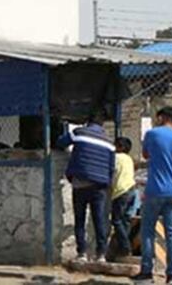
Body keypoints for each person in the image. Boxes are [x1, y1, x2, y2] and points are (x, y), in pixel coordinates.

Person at [133, 106, 172, 285]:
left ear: (161, 117)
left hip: (154, 191)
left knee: (147, 231)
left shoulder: (152, 135)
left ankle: (146, 273)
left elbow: (146, 155)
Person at [56, 113, 114, 263]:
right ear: (102, 125)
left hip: (80, 183)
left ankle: (82, 253)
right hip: (100, 185)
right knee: (99, 219)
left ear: (87, 122)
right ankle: (101, 254)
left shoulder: (80, 132)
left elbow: (61, 142)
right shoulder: (109, 141)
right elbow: (111, 166)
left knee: (80, 219)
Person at [110, 136, 137, 260]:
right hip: (132, 190)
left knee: (116, 220)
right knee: (125, 220)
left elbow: (111, 172)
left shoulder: (116, 158)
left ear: (120, 147)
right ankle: (121, 247)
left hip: (120, 191)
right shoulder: (129, 159)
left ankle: (125, 247)